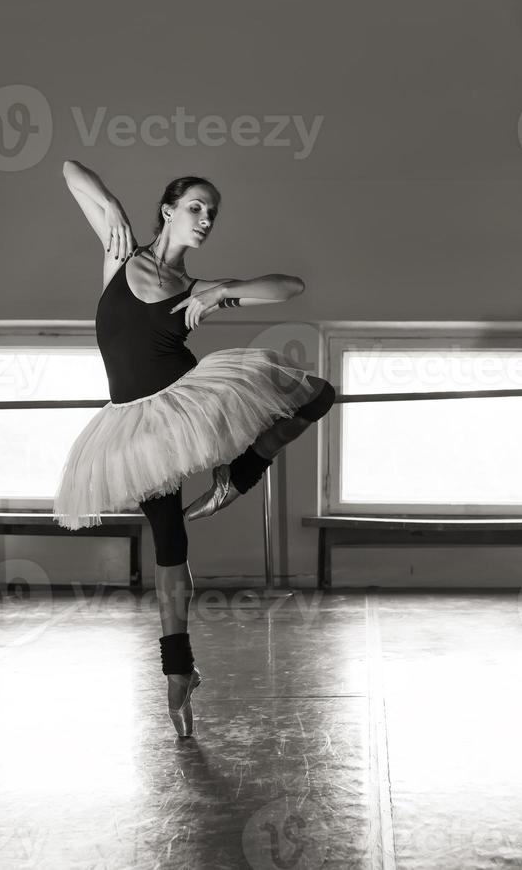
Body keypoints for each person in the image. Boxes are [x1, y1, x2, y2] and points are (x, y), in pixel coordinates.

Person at [52, 162, 336, 736]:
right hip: (134, 425)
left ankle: (243, 471)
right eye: (196, 207)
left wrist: (226, 291)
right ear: (169, 210)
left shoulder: (197, 290)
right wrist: (111, 209)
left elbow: (290, 287)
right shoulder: (120, 255)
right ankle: (178, 670)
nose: (206, 219)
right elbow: (69, 170)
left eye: (212, 213)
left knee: (317, 394)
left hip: (187, 399)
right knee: (170, 540)